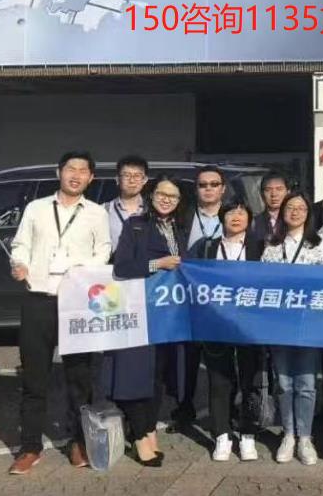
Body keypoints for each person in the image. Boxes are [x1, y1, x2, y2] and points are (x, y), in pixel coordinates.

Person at [8, 151, 111, 475]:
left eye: (83, 171)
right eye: (70, 169)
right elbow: (20, 244)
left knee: (79, 378)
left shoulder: (96, 213)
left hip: (77, 301)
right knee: (34, 378)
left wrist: (80, 269)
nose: (76, 175)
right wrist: (19, 263)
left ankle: (77, 442)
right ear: (59, 172)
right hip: (38, 299)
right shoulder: (36, 208)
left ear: (91, 178)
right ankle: (30, 447)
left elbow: (104, 250)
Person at [107, 176, 185, 466]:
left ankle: (149, 429)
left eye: (173, 196)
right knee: (134, 376)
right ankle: (139, 436)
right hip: (138, 311)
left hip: (169, 314)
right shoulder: (136, 225)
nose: (166, 199)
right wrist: (158, 264)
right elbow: (122, 266)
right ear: (151, 195)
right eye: (162, 194)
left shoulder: (179, 227)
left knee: (158, 377)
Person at [263, 192, 323, 466]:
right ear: (282, 212)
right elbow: (262, 283)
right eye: (290, 207)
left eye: (301, 208)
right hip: (279, 323)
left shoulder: (320, 243)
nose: (295, 212)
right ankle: (288, 434)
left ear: (308, 213)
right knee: (283, 383)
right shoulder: (272, 244)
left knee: (306, 383)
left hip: (309, 323)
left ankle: (305, 437)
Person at [200, 199, 265, 463]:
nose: (236, 217)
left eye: (241, 213)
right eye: (230, 213)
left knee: (250, 380)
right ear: (222, 217)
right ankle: (222, 435)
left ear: (249, 219)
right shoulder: (207, 247)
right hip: (216, 323)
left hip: (250, 324)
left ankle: (247, 434)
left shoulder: (260, 247)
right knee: (219, 380)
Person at [172, 165, 227, 434]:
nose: (208, 189)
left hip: (221, 301)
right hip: (188, 299)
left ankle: (224, 416)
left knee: (219, 360)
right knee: (186, 359)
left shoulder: (235, 215)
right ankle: (184, 409)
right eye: (203, 185)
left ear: (223, 189)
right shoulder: (183, 216)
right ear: (196, 189)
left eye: (214, 184)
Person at [106, 155, 149, 251]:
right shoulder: (104, 210)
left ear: (145, 180)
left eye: (137, 176)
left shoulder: (153, 210)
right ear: (117, 179)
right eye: (126, 175)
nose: (132, 180)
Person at [250, 170, 289, 242]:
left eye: (279, 189)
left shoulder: (296, 220)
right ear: (261, 194)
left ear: (288, 192)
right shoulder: (253, 223)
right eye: (268, 190)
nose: (274, 194)